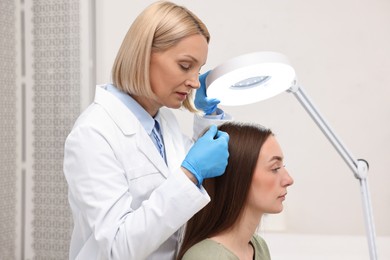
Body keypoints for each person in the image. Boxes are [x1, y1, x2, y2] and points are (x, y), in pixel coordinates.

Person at [63, 1, 231, 259]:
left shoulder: (163, 123)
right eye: (186, 66)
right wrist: (189, 175)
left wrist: (210, 118)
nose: (195, 81)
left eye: (198, 69)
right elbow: (115, 248)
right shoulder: (93, 134)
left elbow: (202, 175)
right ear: (143, 55)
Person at [177, 121, 294, 260]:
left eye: (283, 166)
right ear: (238, 177)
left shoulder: (258, 247)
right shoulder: (205, 257)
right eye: (275, 168)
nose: (289, 179)